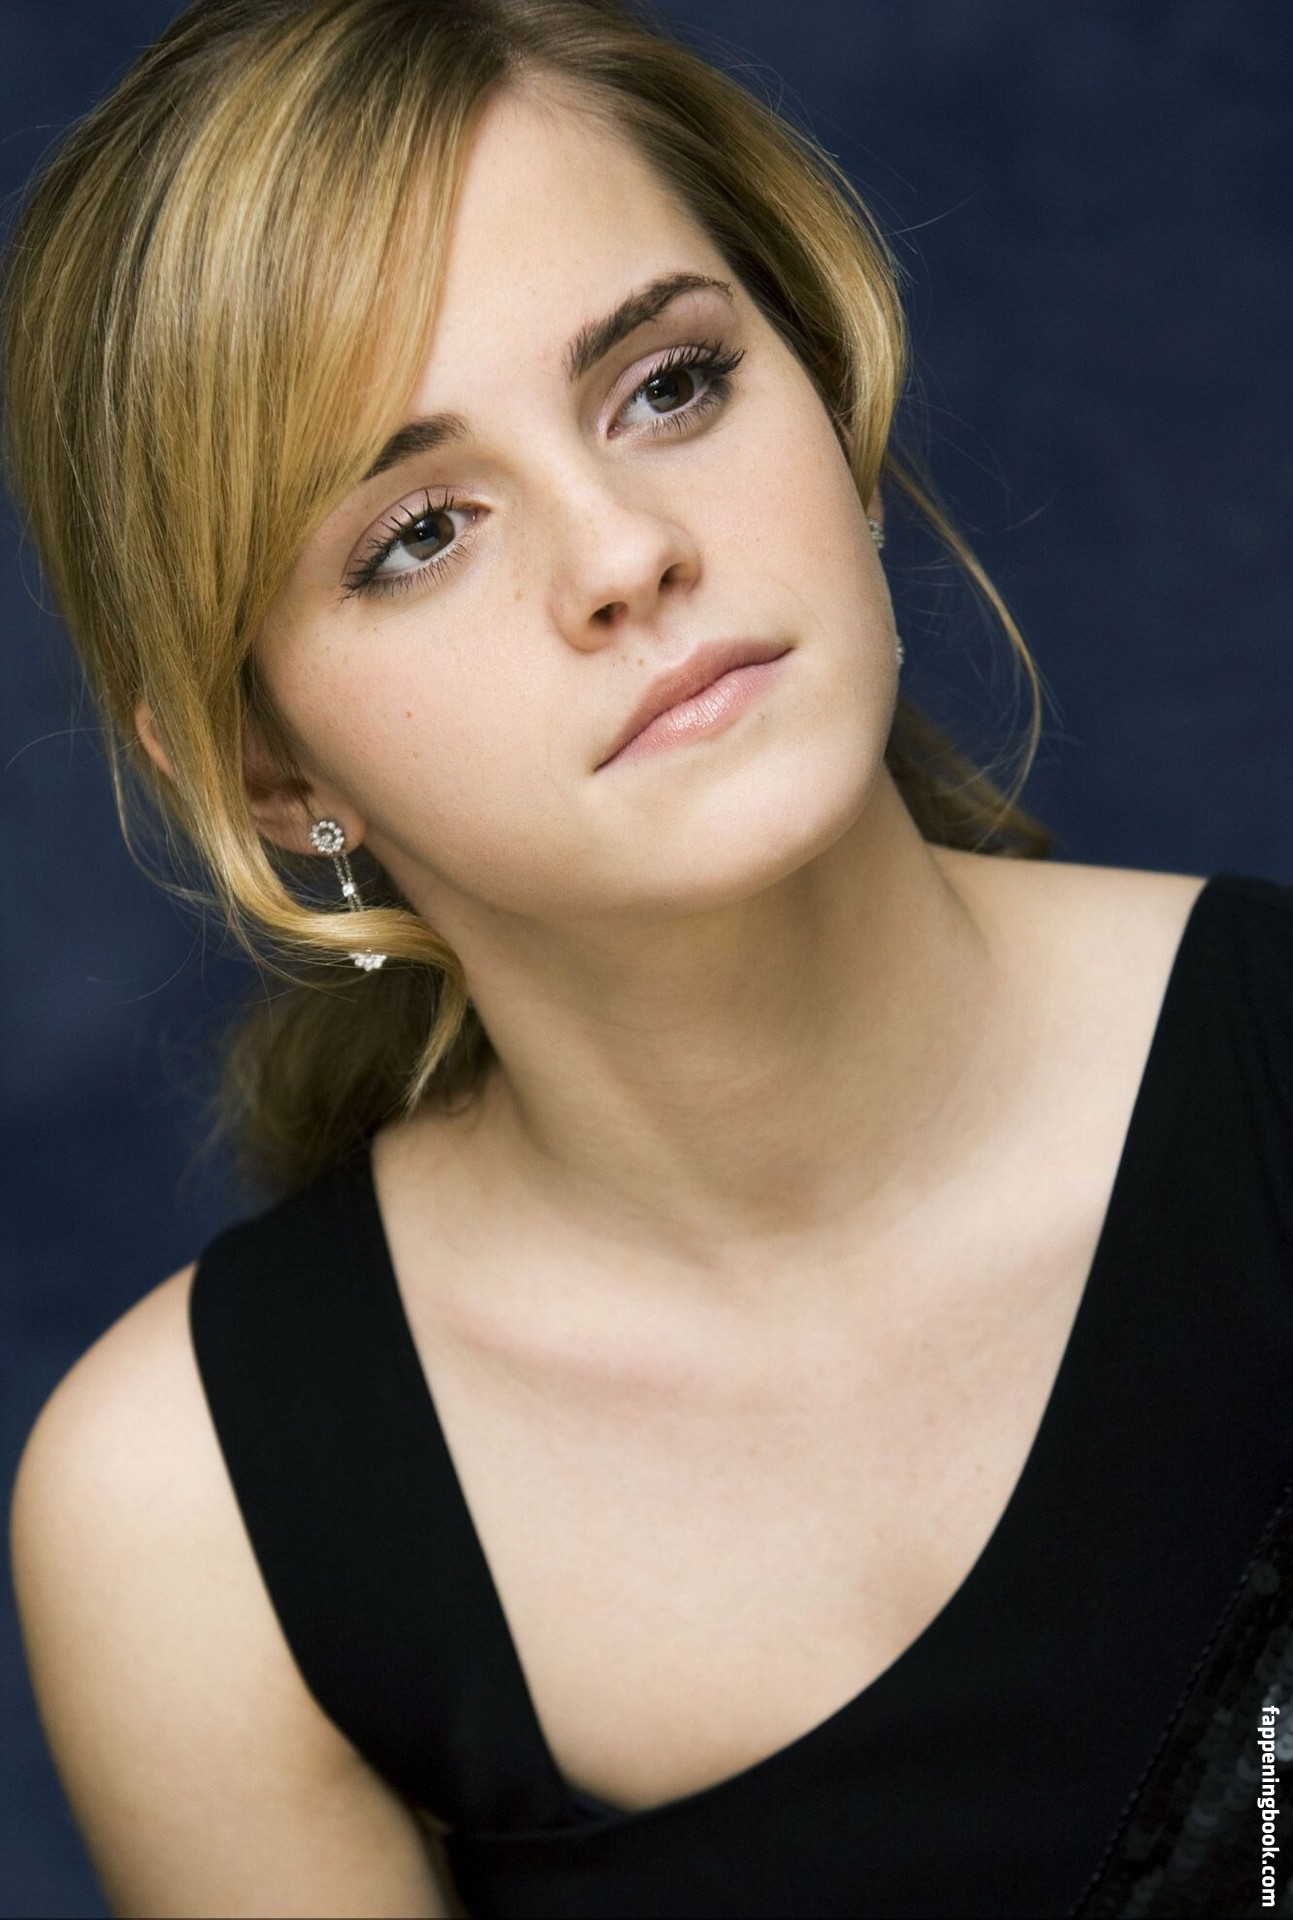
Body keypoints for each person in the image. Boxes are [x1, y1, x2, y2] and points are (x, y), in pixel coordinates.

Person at [6, 1, 1291, 1915]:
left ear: (829, 400)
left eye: (668, 385)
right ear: (269, 773)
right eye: (416, 533)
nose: (622, 552)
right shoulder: (190, 1521)